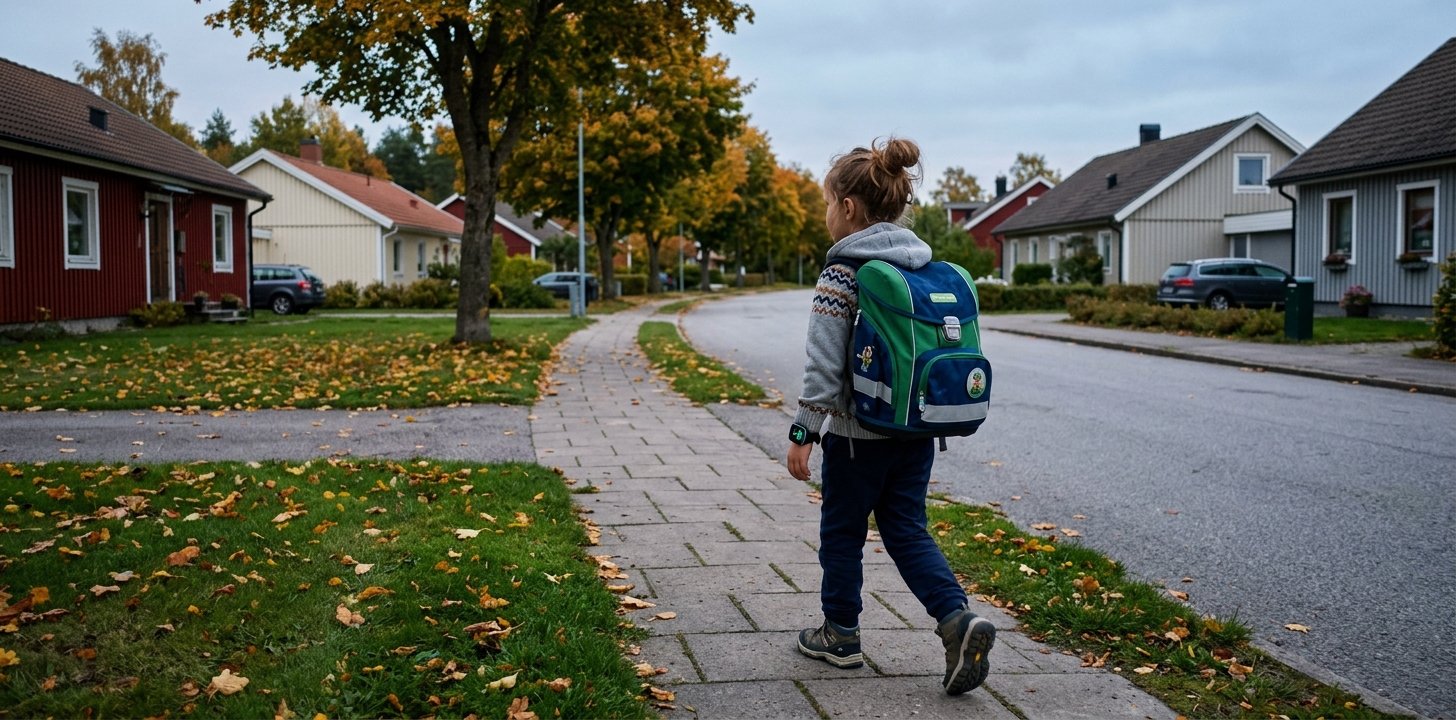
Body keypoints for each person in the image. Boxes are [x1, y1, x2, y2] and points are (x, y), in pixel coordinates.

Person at [785, 137, 996, 696]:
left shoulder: (843, 274)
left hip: (857, 438)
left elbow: (823, 366)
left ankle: (840, 635)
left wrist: (804, 431)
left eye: (827, 204)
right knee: (906, 529)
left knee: (842, 532)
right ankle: (956, 619)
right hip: (916, 431)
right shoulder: (923, 266)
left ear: (847, 207)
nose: (826, 215)